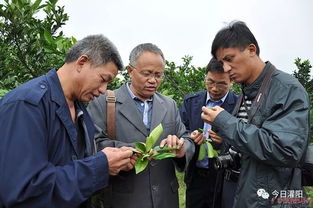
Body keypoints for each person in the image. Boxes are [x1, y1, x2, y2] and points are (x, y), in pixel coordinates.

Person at [0, 34, 134, 208]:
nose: (103, 90)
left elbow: (73, 170)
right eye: (103, 79)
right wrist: (99, 166)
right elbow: (24, 192)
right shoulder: (28, 105)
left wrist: (112, 165)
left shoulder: (81, 112)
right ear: (82, 62)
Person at [201, 21, 310, 207]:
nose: (225, 69)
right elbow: (248, 139)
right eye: (221, 62)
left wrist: (226, 122)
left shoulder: (287, 89)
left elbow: (286, 151)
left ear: (251, 49)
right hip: (238, 188)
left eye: (229, 59)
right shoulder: (247, 90)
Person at [87, 43, 195, 208]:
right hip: (124, 199)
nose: (153, 80)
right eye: (147, 74)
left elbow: (185, 137)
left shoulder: (169, 105)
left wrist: (182, 149)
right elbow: (93, 144)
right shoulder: (103, 102)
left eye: (159, 75)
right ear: (130, 71)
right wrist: (132, 150)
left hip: (166, 199)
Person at [180, 57, 238, 208]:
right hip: (196, 176)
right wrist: (190, 138)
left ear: (231, 81)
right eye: (211, 82)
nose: (214, 89)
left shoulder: (238, 105)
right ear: (205, 77)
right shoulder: (191, 102)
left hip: (224, 177)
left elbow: (244, 140)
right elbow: (181, 130)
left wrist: (223, 142)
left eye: (221, 84)